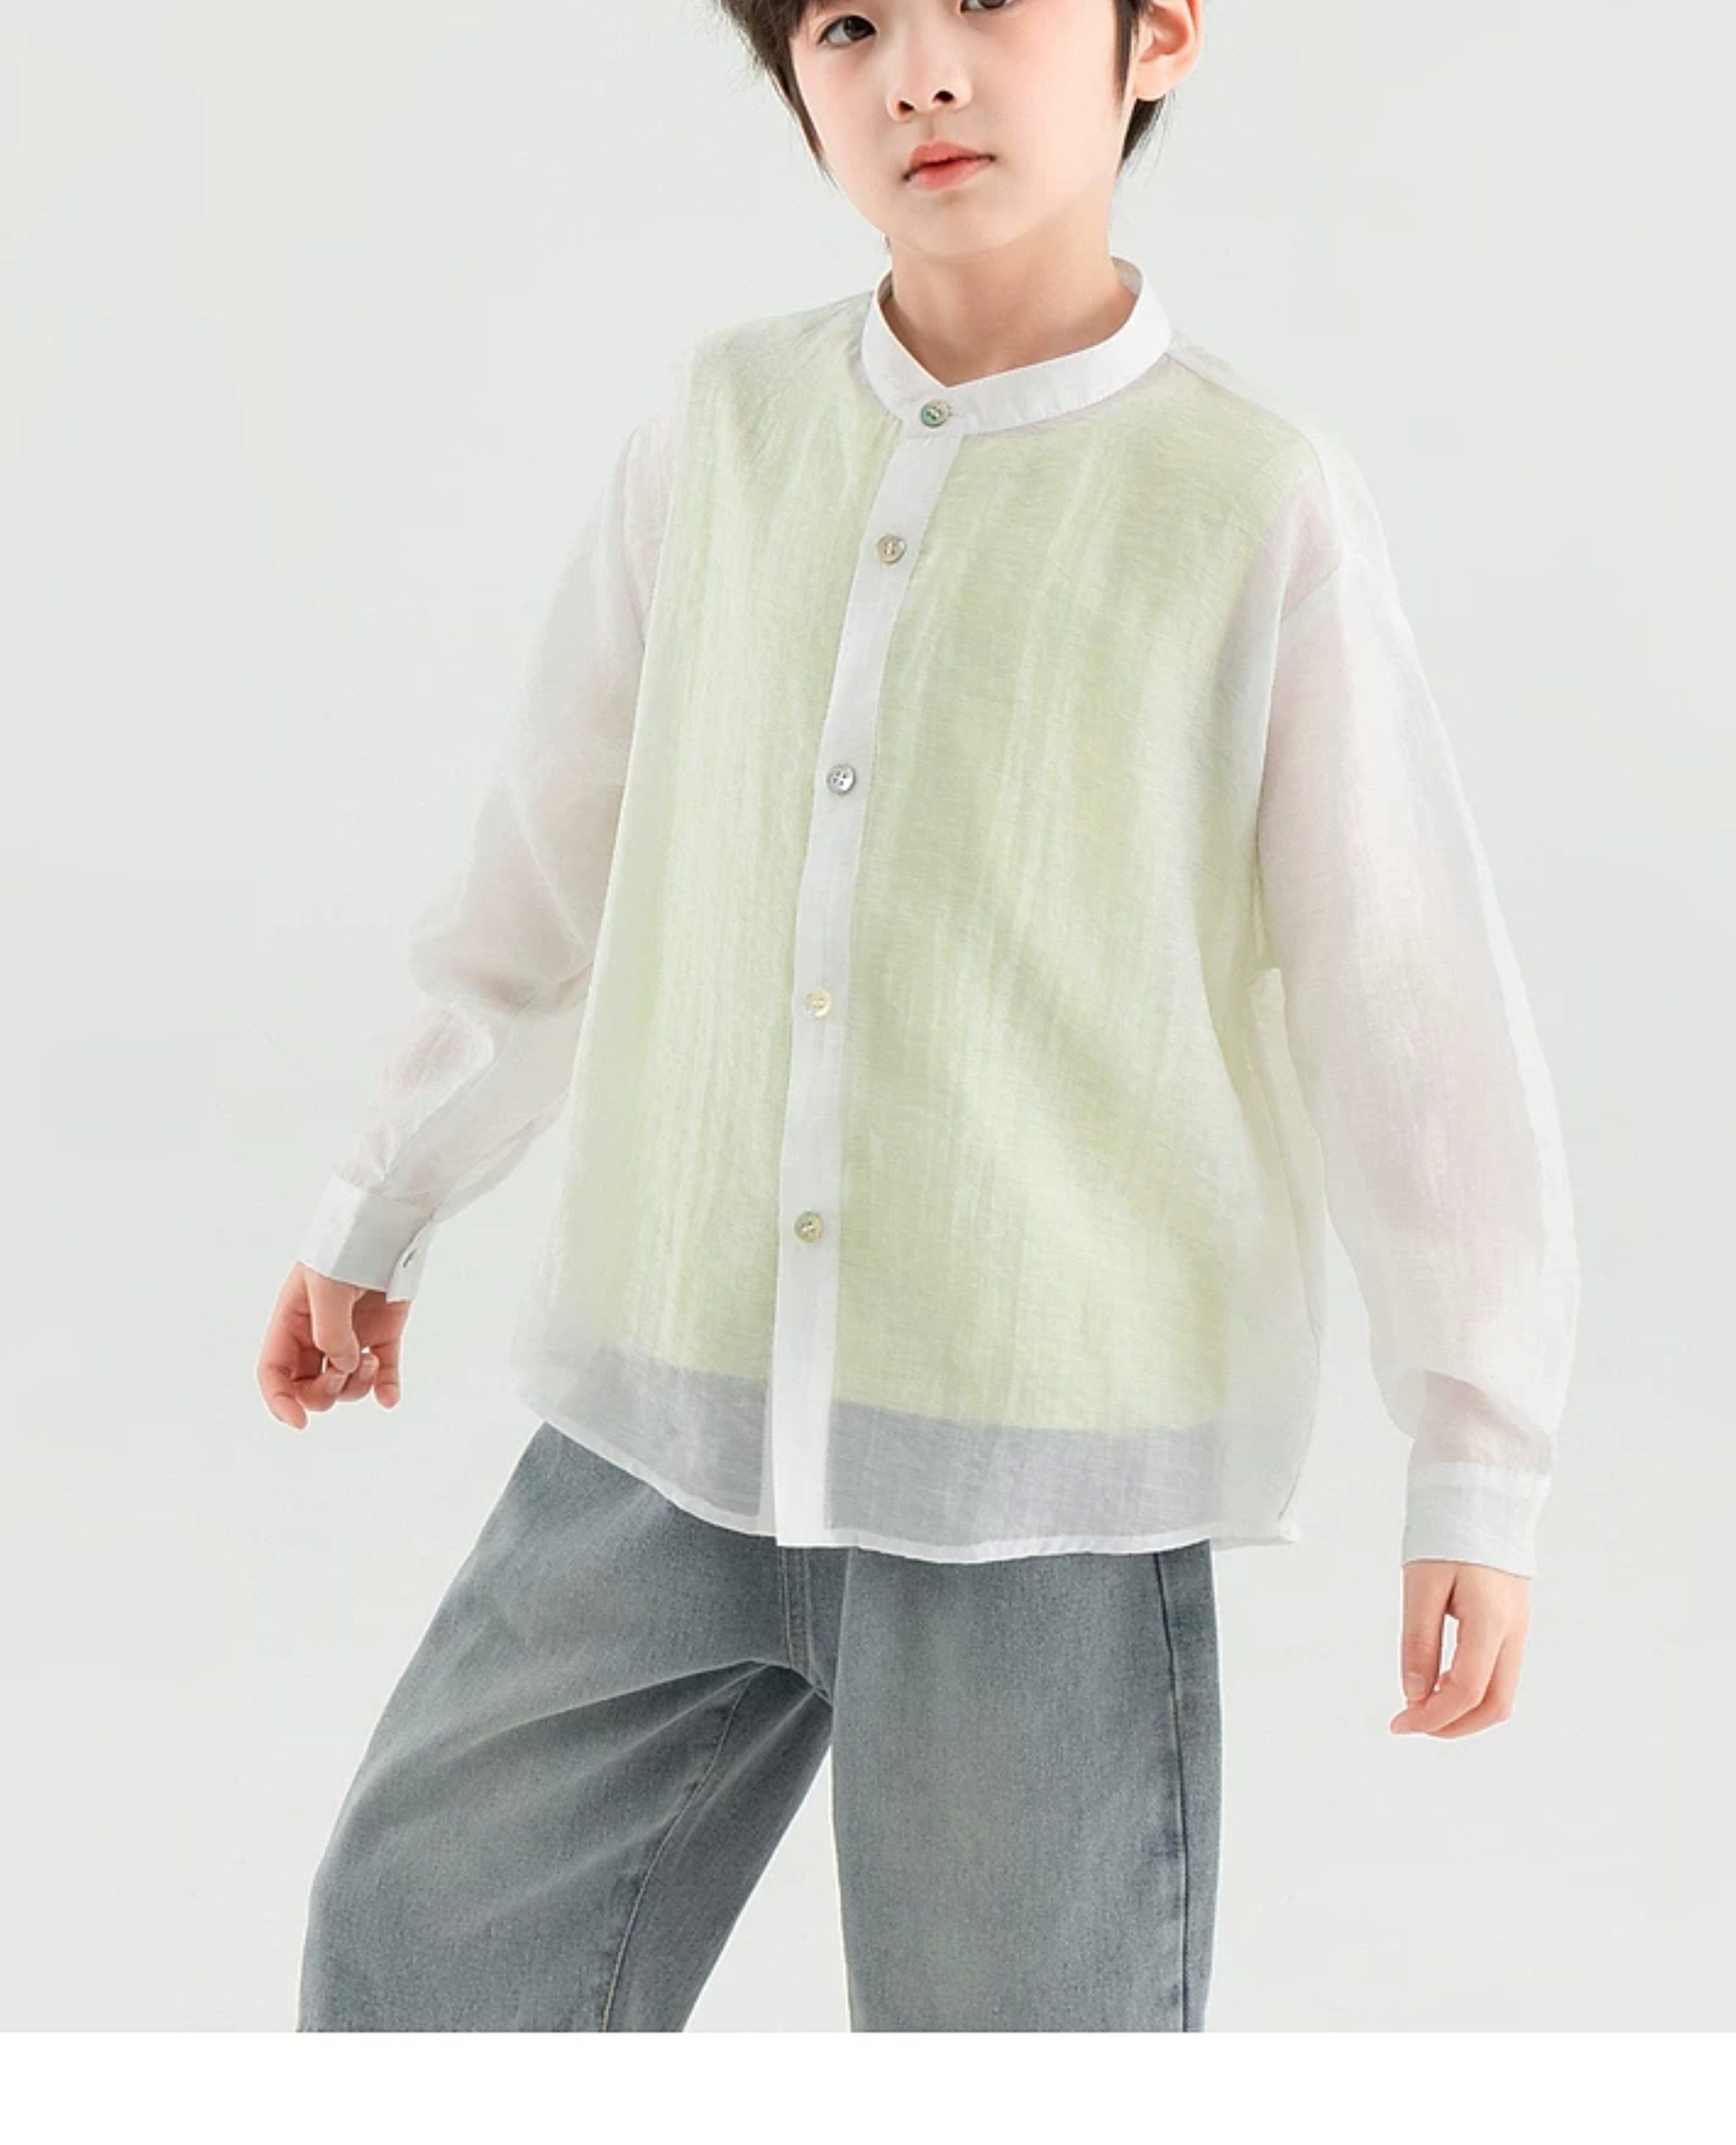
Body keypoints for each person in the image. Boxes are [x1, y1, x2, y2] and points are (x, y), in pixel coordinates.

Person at [260, 0, 1579, 2032]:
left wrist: (1476, 1458)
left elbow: (1403, 1004)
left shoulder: (1249, 499)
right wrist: (386, 1197)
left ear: (1158, 37)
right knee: (421, 1944)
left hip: (1033, 1481)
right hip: (668, 1415)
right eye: (853, 23)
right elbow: (551, 864)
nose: (921, 75)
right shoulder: (724, 429)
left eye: (986, 4)